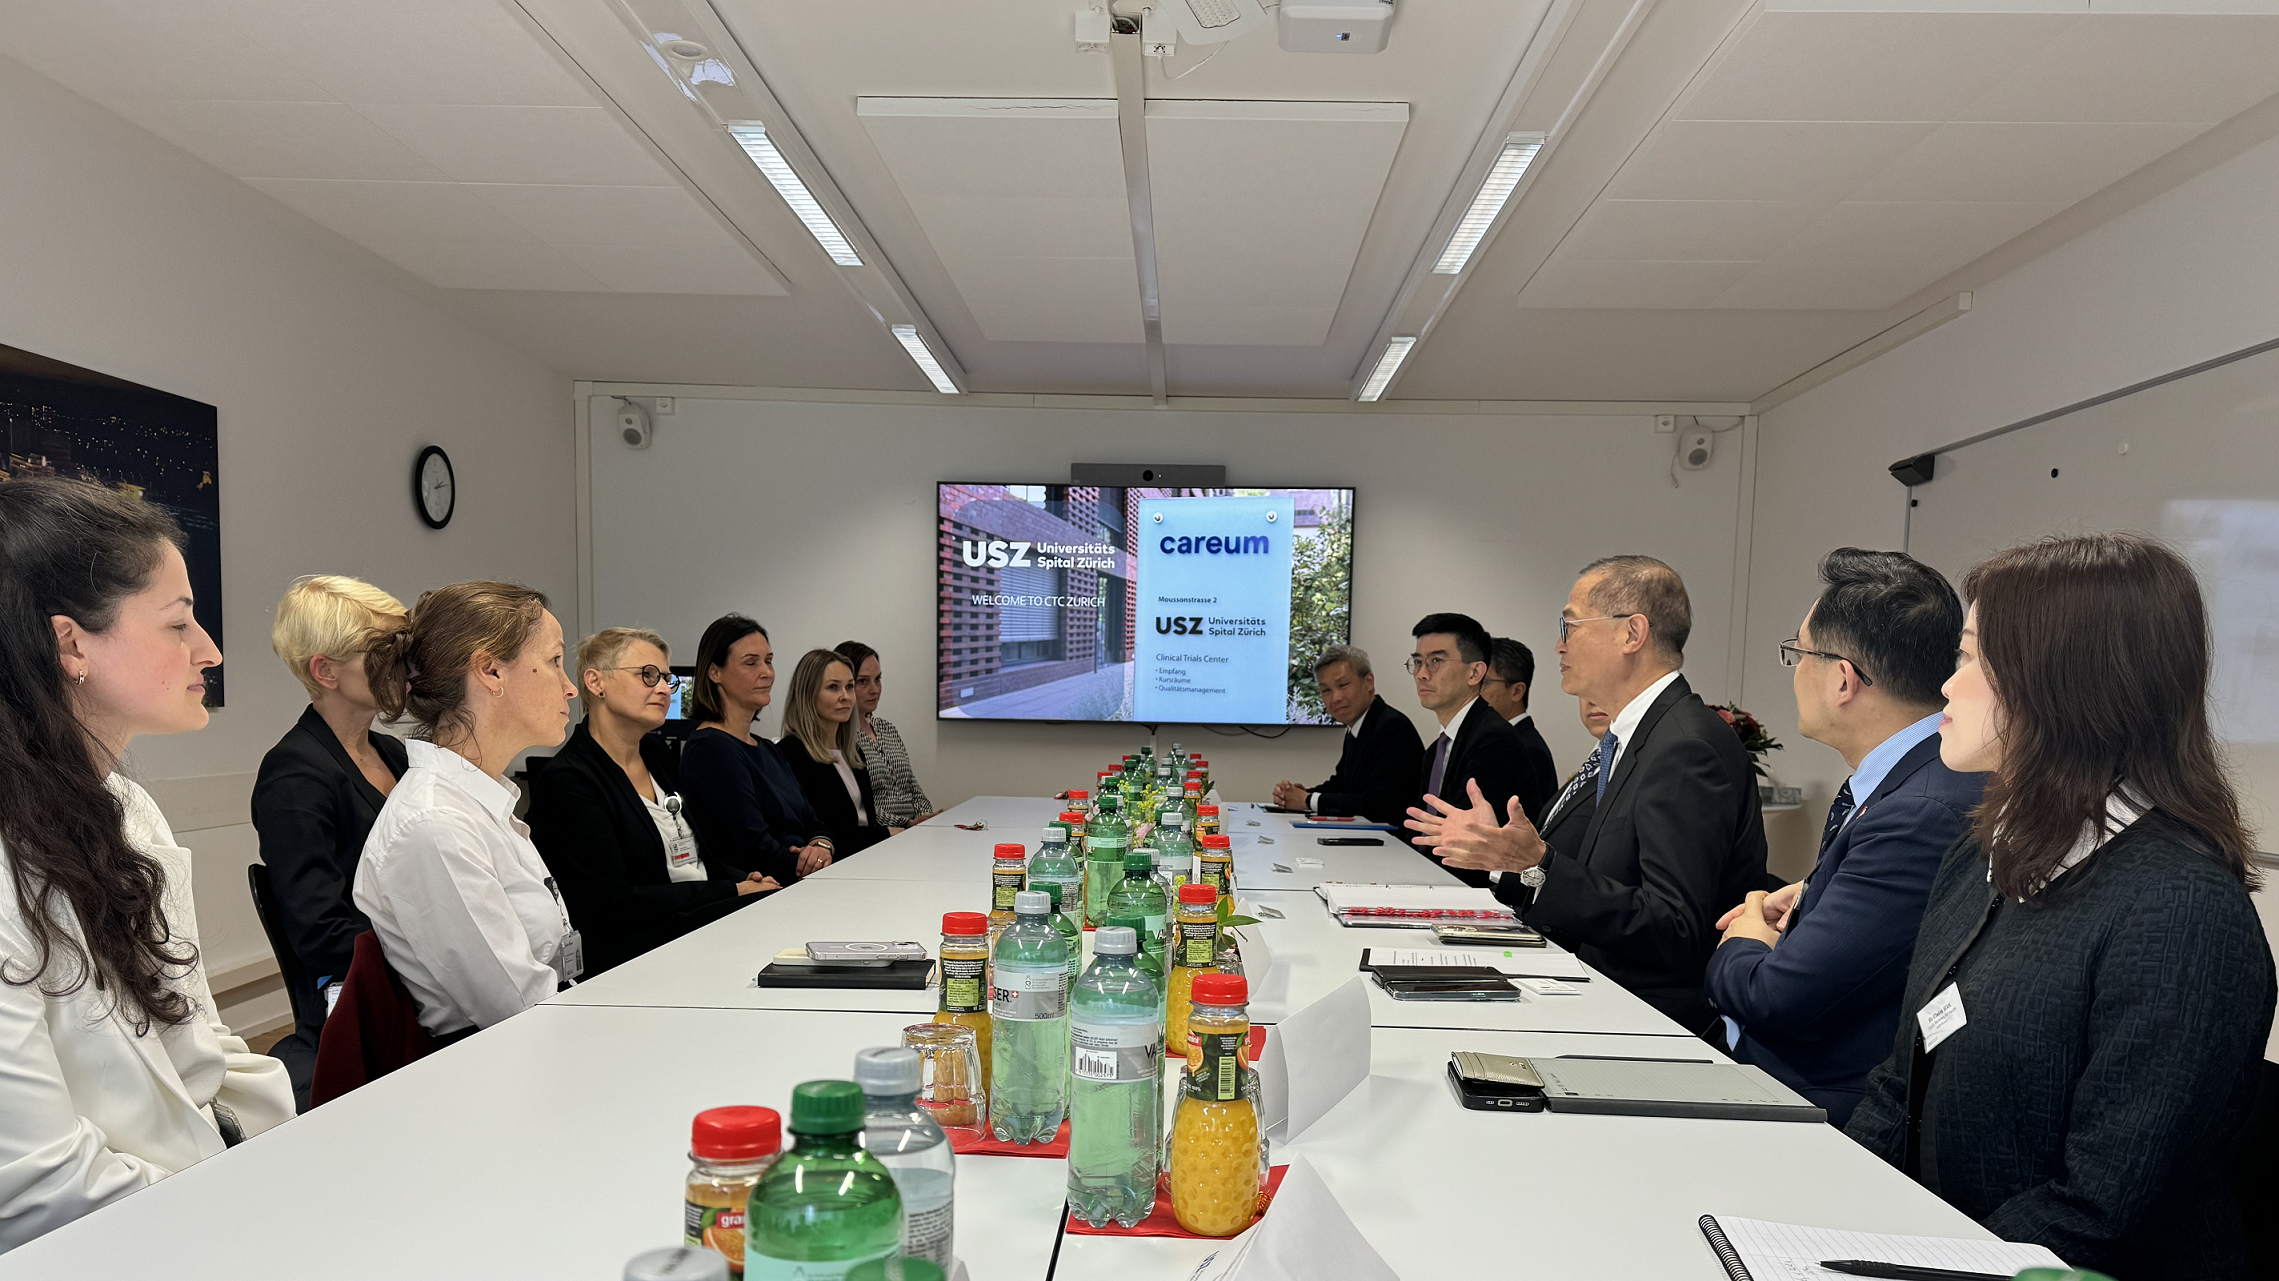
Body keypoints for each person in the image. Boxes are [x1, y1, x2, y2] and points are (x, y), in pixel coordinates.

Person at [1844, 534, 2273, 1279]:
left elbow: (2100, 1210)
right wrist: (1837, 1209)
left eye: (1971, 658)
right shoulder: (1984, 852)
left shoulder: (2179, 913)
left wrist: (1915, 1258)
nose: (1946, 687)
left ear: (2060, 683)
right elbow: (1899, 1078)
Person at [0, 479, 293, 1248]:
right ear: (71, 644)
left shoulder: (127, 809)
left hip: (203, 1198)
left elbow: (195, 1039)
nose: (210, 649)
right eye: (179, 622)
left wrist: (269, 1166)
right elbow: (34, 1184)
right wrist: (228, 1210)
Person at [1411, 557, 1765, 1030]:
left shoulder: (1684, 747)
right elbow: (1604, 878)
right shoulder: (1635, 739)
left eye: (1571, 625)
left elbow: (1674, 929)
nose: (1559, 644)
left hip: (1647, 1018)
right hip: (1595, 985)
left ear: (1631, 634)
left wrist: (1537, 863)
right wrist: (1509, 858)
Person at [1704, 549, 1982, 1125]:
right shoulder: (1911, 777)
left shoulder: (1920, 811)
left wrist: (1749, 931)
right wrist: (1813, 897)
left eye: (1798, 653)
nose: (1795, 669)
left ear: (1842, 678)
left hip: (1819, 1108)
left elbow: (1774, 998)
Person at [354, 582, 582, 1038]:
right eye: (555, 662)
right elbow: (520, 1011)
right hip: (496, 1074)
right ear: (491, 671)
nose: (570, 688)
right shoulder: (436, 825)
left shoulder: (479, 803)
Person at [527, 628, 778, 977]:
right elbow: (614, 906)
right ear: (596, 683)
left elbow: (695, 854)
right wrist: (731, 890)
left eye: (666, 678)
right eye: (647, 675)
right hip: (634, 948)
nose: (662, 688)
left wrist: (741, 878)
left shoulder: (656, 754)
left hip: (692, 918)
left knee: (777, 900)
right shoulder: (570, 782)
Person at [250, 575, 412, 1111]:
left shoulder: (395, 754)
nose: (405, 665)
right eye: (386, 651)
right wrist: (434, 948)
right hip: (364, 1001)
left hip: (412, 980)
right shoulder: (293, 774)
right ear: (326, 671)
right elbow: (320, 932)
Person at [678, 615, 836, 885]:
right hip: (764, 895)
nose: (767, 672)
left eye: (769, 661)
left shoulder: (767, 749)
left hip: (800, 882)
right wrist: (809, 864)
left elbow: (814, 823)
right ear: (715, 672)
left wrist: (822, 847)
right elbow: (751, 849)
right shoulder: (711, 749)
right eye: (751, 663)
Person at [1403, 612, 1531, 887]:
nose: (1422, 674)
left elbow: (1469, 855)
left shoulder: (1494, 741)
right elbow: (1422, 834)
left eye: (1436, 661)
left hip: (1474, 898)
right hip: (1433, 885)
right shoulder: (1438, 748)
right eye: (1417, 662)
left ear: (1475, 672)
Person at [1270, 644, 1424, 824]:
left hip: (1396, 843)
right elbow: (1342, 785)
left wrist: (1307, 800)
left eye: (1343, 685)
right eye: (1326, 690)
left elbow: (1378, 804)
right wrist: (1298, 795)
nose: (1335, 698)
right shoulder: (1358, 727)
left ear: (1369, 682)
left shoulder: (1392, 727)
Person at [779, 649, 896, 856]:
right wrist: (887, 834)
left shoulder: (853, 752)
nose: (846, 697)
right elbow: (817, 833)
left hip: (871, 857)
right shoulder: (792, 752)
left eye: (849, 687)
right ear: (808, 694)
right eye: (833, 687)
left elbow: (866, 821)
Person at [835, 640, 939, 828]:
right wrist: (906, 823)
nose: (874, 689)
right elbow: (859, 807)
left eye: (878, 679)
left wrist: (927, 818)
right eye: (863, 681)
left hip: (913, 832)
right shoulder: (840, 739)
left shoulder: (887, 729)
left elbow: (913, 787)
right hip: (879, 836)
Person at [1480, 636, 1558, 821]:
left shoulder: (1529, 750)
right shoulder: (1494, 741)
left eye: (1484, 683)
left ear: (1516, 691)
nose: (1474, 691)